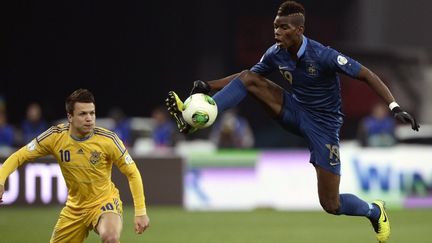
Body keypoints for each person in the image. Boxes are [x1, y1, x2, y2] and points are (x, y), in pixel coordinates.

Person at [165, 1, 419, 242]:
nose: (277, 32)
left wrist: (394, 106)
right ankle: (198, 119)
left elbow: (367, 74)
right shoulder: (276, 53)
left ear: (299, 30)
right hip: (294, 111)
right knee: (249, 78)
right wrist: (208, 85)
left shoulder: (323, 55)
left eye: (283, 27)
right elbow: (247, 77)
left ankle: (375, 212)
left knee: (331, 204)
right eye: (276, 26)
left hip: (323, 127)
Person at [0, 89, 150, 243]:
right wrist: (1, 180)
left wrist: (140, 211)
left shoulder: (108, 139)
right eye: (83, 114)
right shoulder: (55, 136)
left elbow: (132, 172)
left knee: (110, 237)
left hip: (105, 202)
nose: (89, 119)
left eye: (92, 113)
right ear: (70, 117)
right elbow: (20, 155)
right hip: (74, 209)